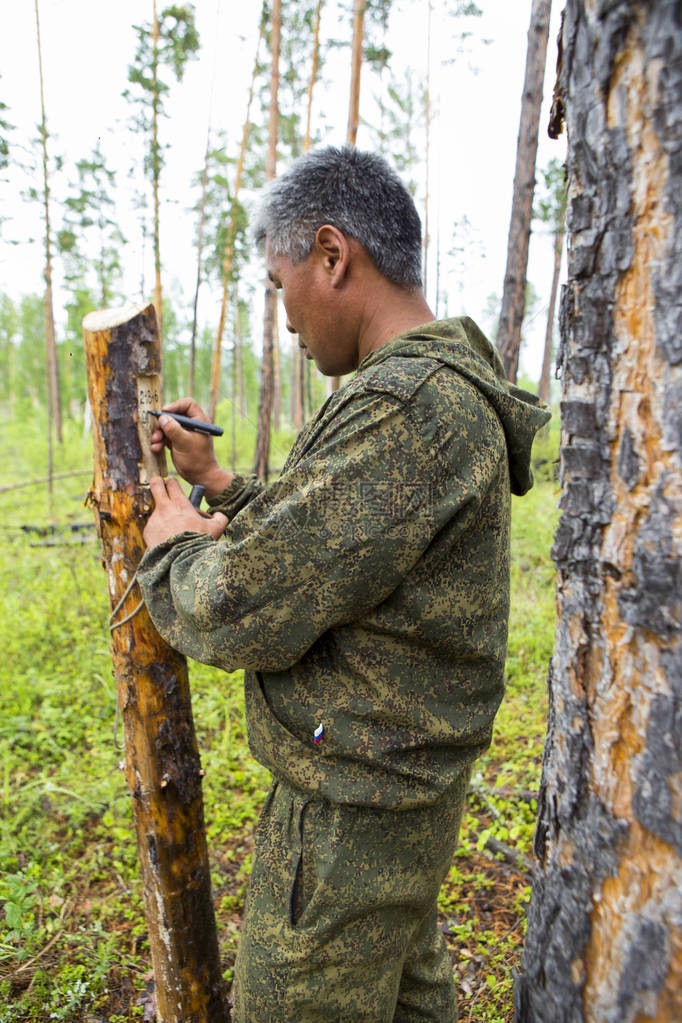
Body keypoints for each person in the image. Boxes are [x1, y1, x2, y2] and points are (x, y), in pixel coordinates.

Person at [137, 145, 550, 1022]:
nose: (284, 314)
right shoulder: (426, 393)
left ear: (333, 256)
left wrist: (171, 549)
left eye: (280, 279)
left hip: (350, 817)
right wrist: (217, 484)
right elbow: (337, 547)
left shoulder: (407, 408)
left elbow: (242, 602)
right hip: (398, 801)